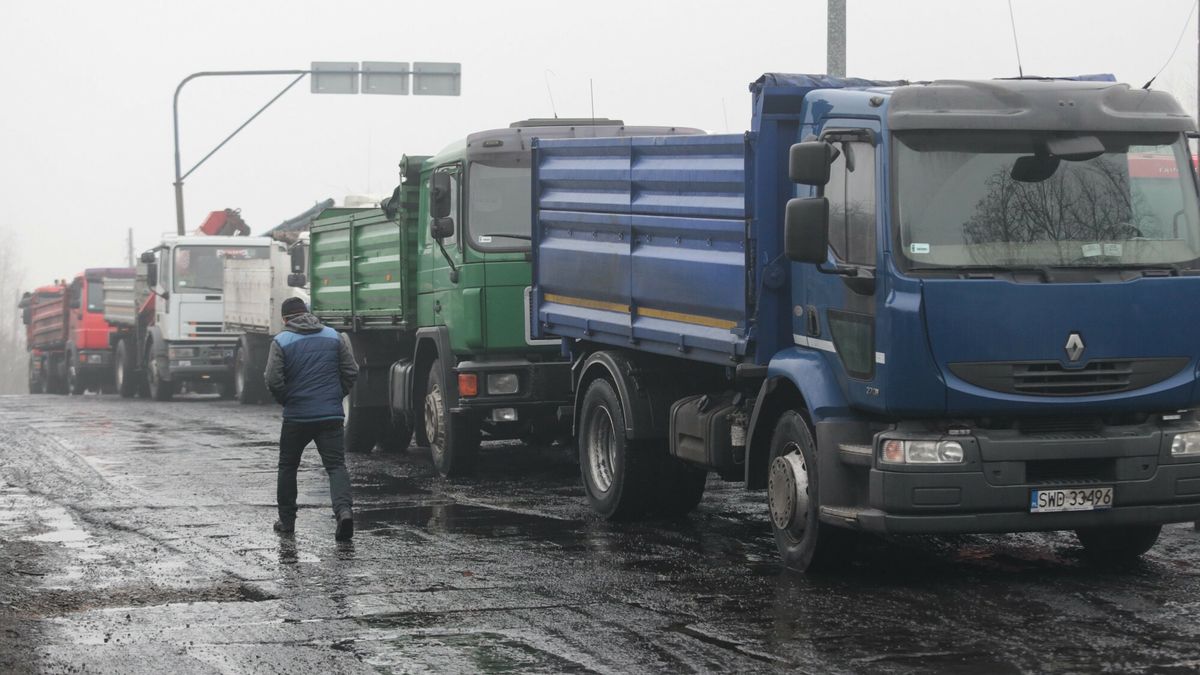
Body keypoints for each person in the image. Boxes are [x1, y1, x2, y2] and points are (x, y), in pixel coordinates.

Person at [264, 297, 359, 541]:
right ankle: (344, 512)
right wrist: (336, 395)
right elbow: (351, 371)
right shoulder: (333, 336)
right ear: (307, 313)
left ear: (285, 319)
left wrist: (287, 399)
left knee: (288, 466)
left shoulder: (281, 340)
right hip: (330, 415)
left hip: (297, 417)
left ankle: (287, 522)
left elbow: (272, 379)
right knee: (336, 466)